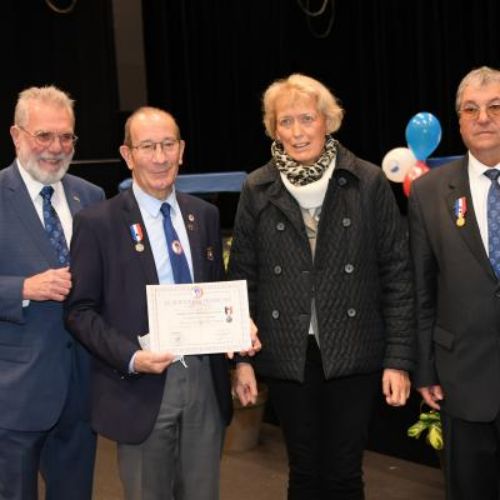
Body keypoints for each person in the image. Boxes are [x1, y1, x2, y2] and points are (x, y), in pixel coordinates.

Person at [228, 74, 414, 500]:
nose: (297, 132)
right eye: (285, 121)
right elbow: (242, 278)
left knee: (345, 474)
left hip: (353, 347)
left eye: (307, 119)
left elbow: (397, 274)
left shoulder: (367, 181)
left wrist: (398, 359)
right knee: (304, 472)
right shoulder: (257, 187)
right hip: (288, 351)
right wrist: (241, 360)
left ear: (327, 121)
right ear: (274, 129)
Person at [65, 106, 260, 500]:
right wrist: (132, 357)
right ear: (128, 154)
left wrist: (242, 351)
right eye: (147, 146)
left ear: (181, 150)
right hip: (140, 384)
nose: (159, 157)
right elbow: (79, 311)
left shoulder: (204, 215)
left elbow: (218, 289)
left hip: (204, 381)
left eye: (168, 145)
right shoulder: (97, 223)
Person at [0, 86, 105, 500]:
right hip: (14, 392)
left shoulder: (91, 196)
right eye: (44, 135)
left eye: (66, 137)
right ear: (17, 135)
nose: (56, 148)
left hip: (81, 390)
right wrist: (23, 288)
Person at [409, 66, 500, 500]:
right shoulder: (429, 192)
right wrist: (425, 368)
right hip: (462, 379)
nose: (483, 118)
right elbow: (421, 288)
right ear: (459, 121)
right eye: (471, 109)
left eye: (496, 107)